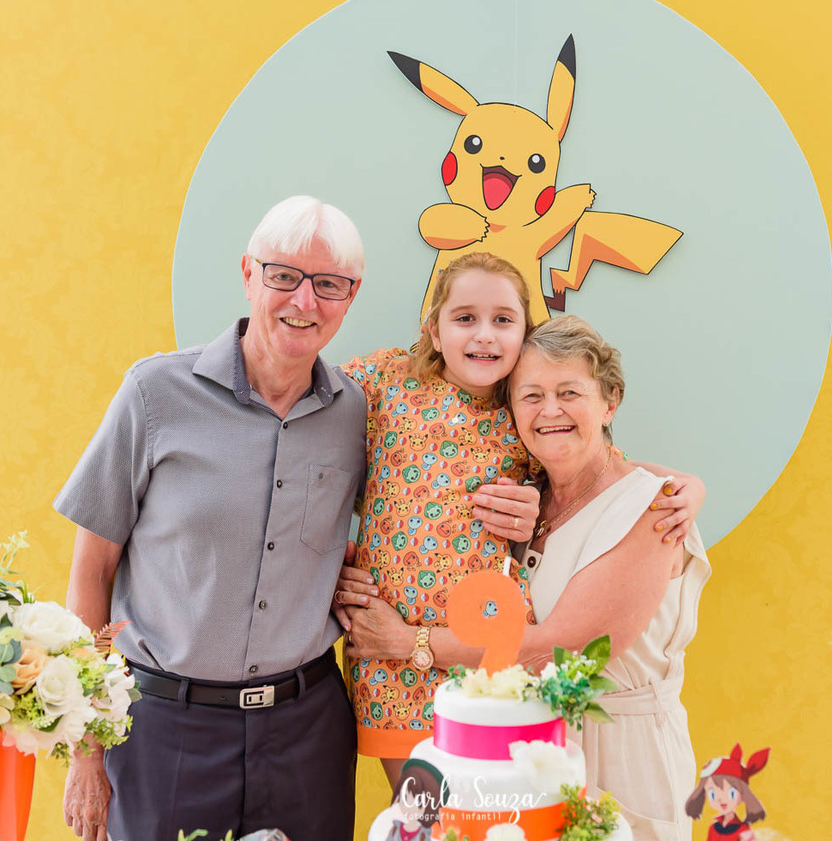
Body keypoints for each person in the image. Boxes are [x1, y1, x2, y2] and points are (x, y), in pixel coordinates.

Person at [55, 195, 368, 841]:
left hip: (307, 730)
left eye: (328, 284)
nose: (304, 301)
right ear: (249, 274)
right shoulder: (154, 394)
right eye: (284, 275)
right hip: (162, 728)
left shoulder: (357, 415)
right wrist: (86, 747)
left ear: (350, 296)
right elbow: (91, 572)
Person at [334, 254, 701, 787]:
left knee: (494, 808)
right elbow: (308, 438)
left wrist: (687, 484)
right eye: (465, 318)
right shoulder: (385, 380)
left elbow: (606, 467)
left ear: (523, 333)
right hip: (388, 658)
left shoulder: (519, 414)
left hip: (492, 666)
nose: (484, 334)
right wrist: (327, 565)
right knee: (422, 811)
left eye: (503, 320)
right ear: (432, 330)